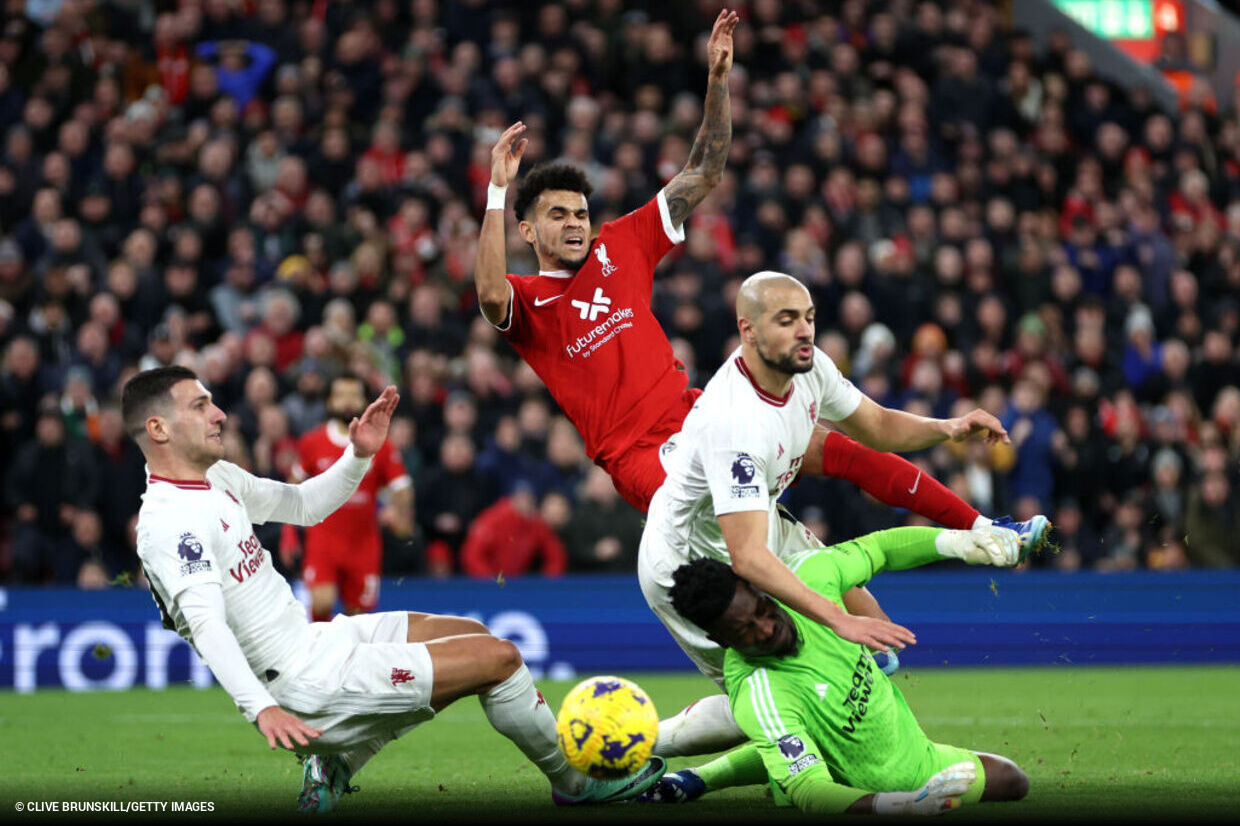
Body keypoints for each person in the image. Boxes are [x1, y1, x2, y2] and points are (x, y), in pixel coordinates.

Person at [473, 11, 1046, 658]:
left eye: (580, 212)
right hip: (648, 463)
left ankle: (985, 532)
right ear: (528, 231)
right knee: (776, 562)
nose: (575, 223)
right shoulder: (529, 302)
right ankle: (825, 670)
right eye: (557, 215)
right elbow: (490, 293)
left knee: (842, 451)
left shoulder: (620, 245)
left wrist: (719, 78)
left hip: (701, 414)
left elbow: (702, 175)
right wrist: (498, 191)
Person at [123, 366, 664, 813]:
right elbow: (207, 624)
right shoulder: (170, 522)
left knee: (472, 635)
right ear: (159, 429)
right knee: (499, 659)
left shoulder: (216, 479)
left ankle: (338, 761)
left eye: (212, 401)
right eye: (199, 406)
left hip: (317, 642)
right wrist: (261, 708)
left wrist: (358, 456)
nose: (218, 413)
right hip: (304, 682)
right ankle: (575, 784)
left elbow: (305, 505)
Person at [638, 272, 1037, 756]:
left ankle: (865, 747)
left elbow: (878, 426)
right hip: (690, 562)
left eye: (807, 318)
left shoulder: (808, 368)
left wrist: (949, 427)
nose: (804, 331)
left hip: (755, 522)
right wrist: (835, 621)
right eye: (786, 321)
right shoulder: (734, 422)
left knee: (874, 641)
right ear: (748, 331)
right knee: (773, 685)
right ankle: (633, 748)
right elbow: (746, 558)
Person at [646, 535, 1029, 814]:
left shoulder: (808, 576)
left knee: (1013, 781)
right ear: (719, 639)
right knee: (795, 747)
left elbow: (878, 550)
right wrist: (899, 805)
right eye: (744, 631)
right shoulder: (760, 692)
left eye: (761, 610)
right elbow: (810, 790)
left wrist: (960, 543)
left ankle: (698, 778)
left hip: (920, 759)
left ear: (757, 586)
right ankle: (700, 777)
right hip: (860, 793)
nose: (765, 629)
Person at [283, 372, 413, 621]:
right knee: (322, 601)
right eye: (340, 395)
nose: (347, 402)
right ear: (329, 402)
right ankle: (321, 657)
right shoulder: (313, 442)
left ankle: (351, 659)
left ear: (365, 401)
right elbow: (292, 488)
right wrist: (289, 534)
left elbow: (402, 486)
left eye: (354, 395)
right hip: (323, 539)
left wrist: (401, 515)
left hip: (363, 543)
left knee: (359, 617)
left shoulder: (380, 444)